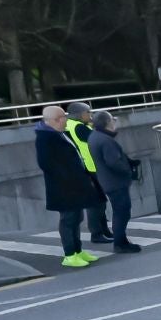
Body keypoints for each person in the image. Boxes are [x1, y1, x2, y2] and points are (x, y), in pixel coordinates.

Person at [34, 105, 100, 268]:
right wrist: (67, 179)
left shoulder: (60, 133)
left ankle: (78, 251)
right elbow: (46, 163)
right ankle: (70, 254)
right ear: (56, 119)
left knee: (77, 217)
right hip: (63, 187)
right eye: (64, 116)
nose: (67, 119)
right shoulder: (45, 137)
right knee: (68, 219)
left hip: (74, 184)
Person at [86, 110, 141, 255]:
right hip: (115, 182)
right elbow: (113, 162)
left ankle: (122, 241)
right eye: (112, 120)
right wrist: (128, 169)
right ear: (107, 123)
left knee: (121, 211)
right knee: (122, 212)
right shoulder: (105, 140)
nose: (114, 122)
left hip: (108, 181)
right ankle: (120, 243)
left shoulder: (95, 137)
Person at [62, 101, 109, 246]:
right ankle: (97, 233)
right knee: (97, 202)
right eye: (88, 112)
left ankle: (103, 231)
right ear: (80, 114)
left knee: (99, 201)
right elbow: (100, 138)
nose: (91, 115)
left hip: (86, 168)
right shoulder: (79, 127)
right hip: (90, 168)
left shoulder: (70, 125)